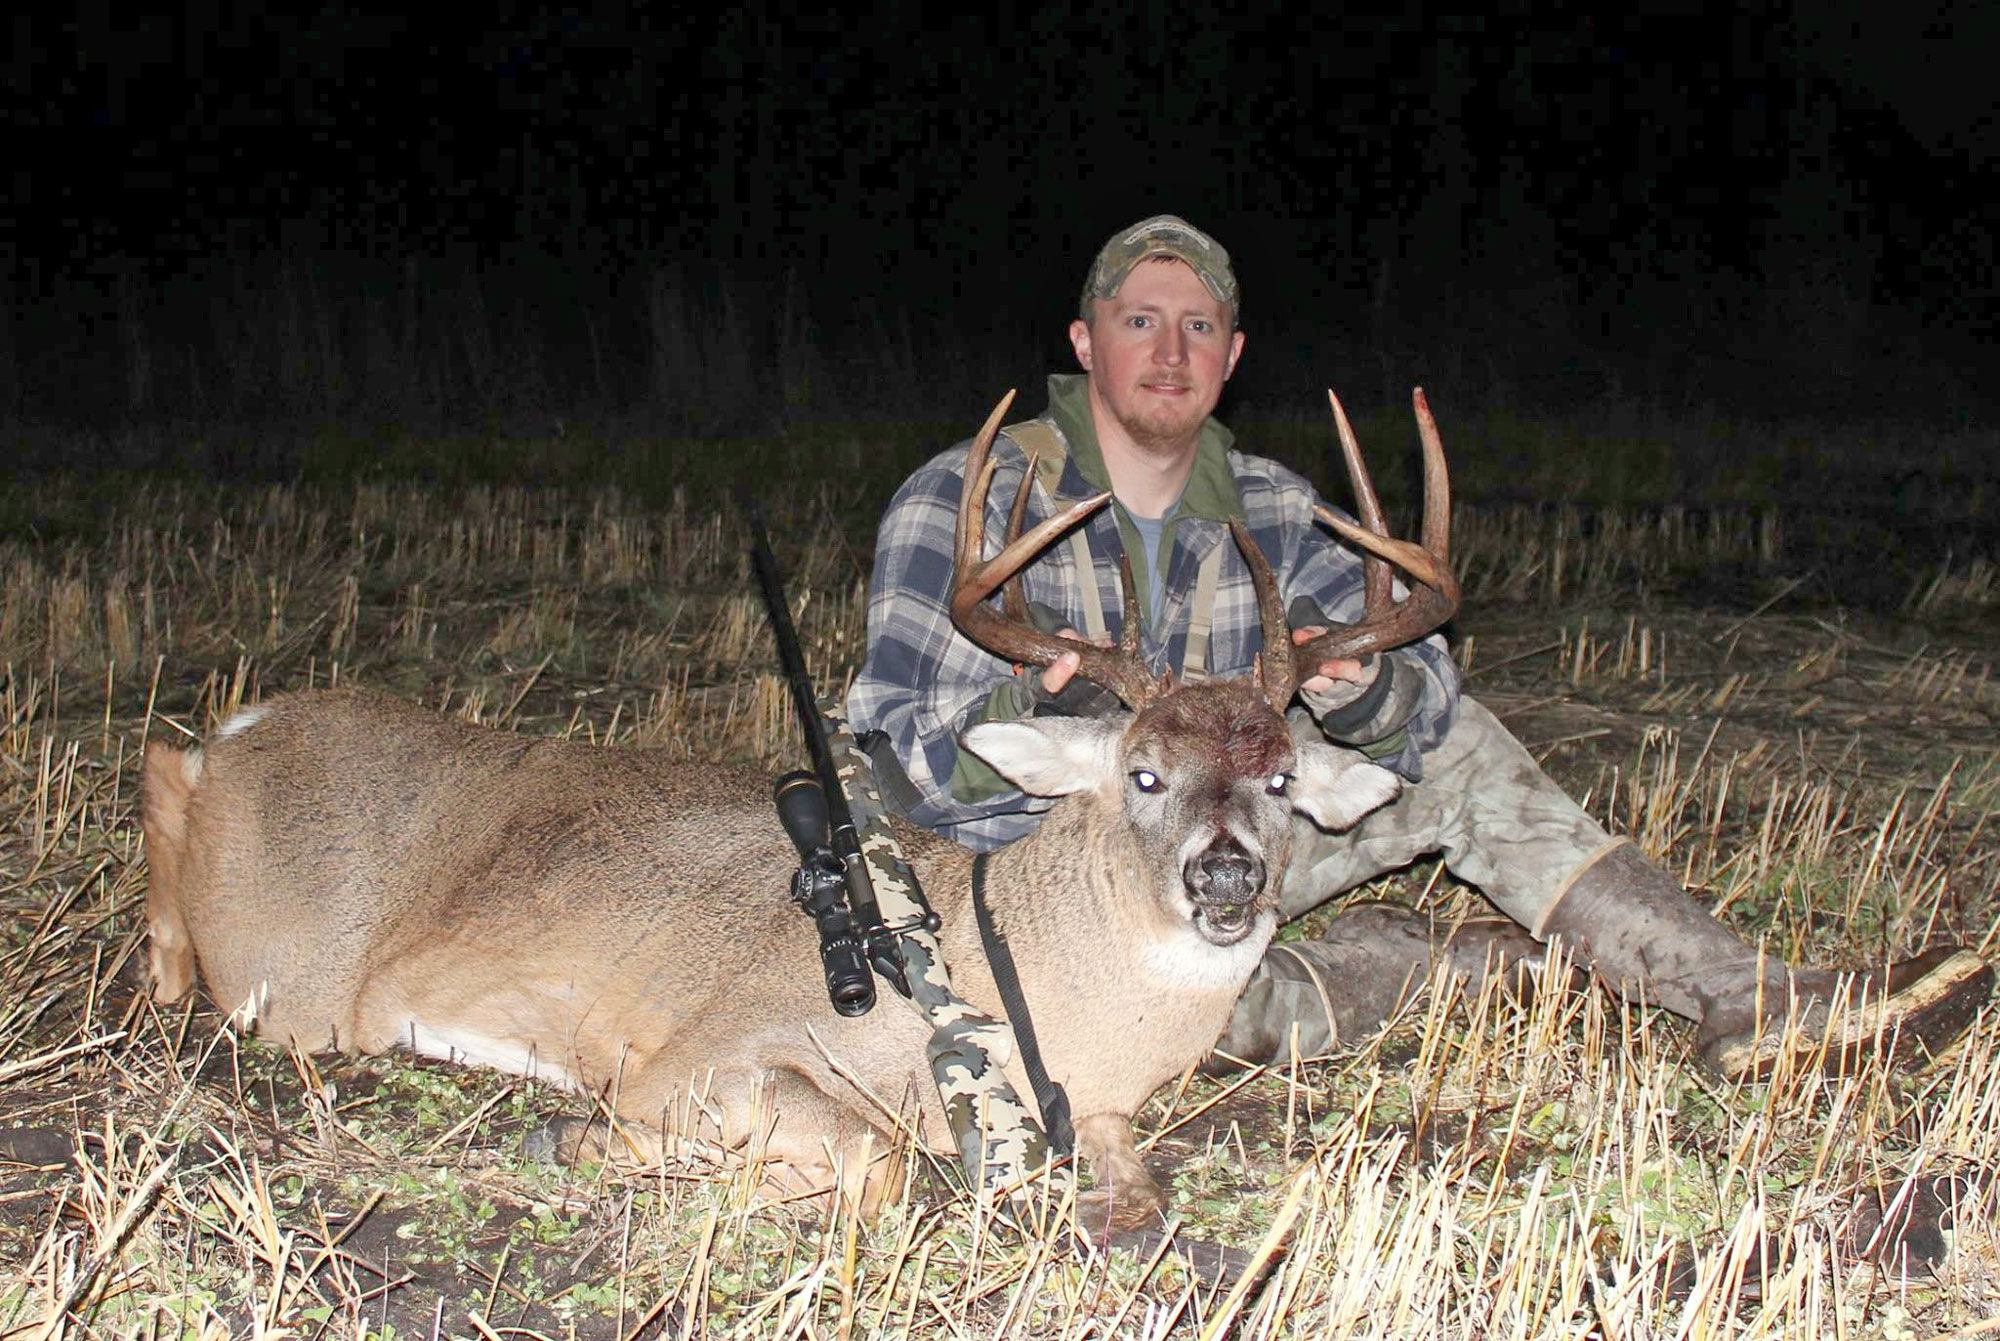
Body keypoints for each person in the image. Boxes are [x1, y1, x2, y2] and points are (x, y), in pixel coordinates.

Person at [845, 214, 1991, 1082]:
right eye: (1139, 320)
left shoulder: (1279, 510)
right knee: (1190, 1033)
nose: (1168, 349)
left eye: (1198, 326)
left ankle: (1746, 994)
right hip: (1063, 880)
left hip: (1249, 833)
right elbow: (901, 761)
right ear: (1085, 341)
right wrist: (1043, 736)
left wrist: (1370, 689)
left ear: (1232, 353)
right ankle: (1438, 973)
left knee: (1454, 752)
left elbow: (1424, 707)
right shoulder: (968, 502)